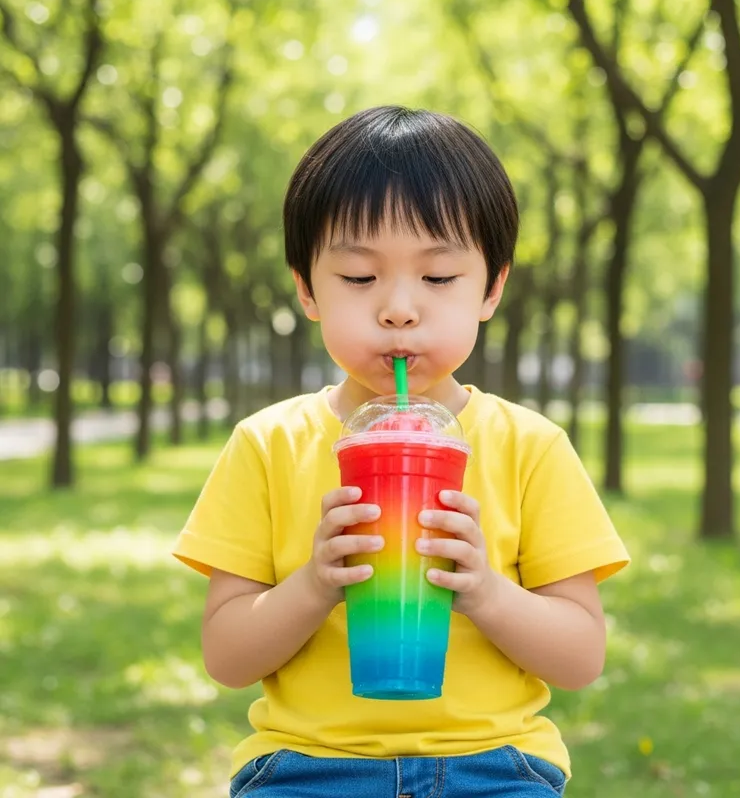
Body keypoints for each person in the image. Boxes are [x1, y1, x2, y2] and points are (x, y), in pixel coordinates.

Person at [173, 105, 630, 798]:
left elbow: (579, 658)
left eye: (439, 278)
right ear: (306, 287)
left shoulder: (531, 448)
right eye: (359, 278)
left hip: (497, 768)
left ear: (492, 288)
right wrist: (315, 582)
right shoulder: (267, 446)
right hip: (306, 768)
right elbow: (227, 657)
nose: (398, 308)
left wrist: (483, 589)